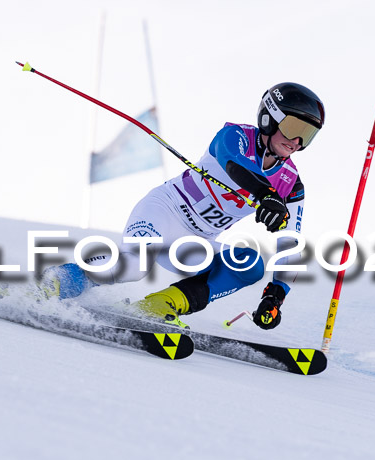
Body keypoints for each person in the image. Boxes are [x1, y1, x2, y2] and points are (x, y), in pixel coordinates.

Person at [36, 82, 325, 329]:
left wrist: (276, 294)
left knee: (250, 265)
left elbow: (291, 244)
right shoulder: (235, 136)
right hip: (164, 211)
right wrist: (266, 194)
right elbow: (235, 165)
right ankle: (54, 284)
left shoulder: (291, 184)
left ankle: (158, 305)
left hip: (195, 242)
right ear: (269, 119)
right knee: (132, 267)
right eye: (293, 127)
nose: (297, 141)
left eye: (308, 135)